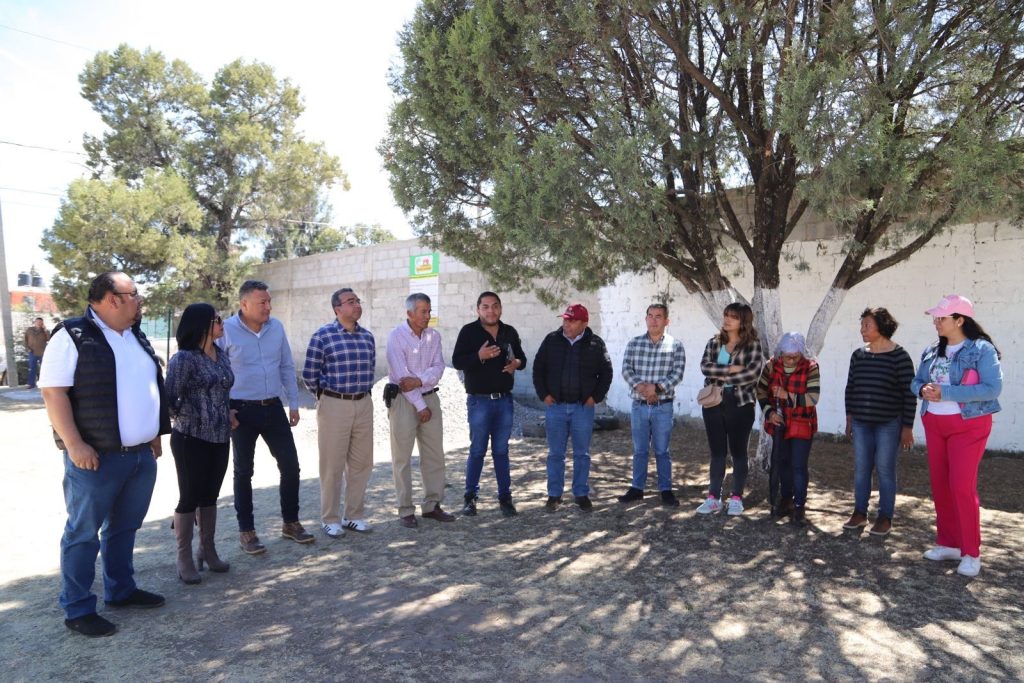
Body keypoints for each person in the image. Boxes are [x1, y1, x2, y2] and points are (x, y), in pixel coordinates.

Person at [38, 272, 169, 638]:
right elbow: (53, 393)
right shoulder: (72, 335)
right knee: (83, 533)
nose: (139, 300)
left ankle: (121, 590)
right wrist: (74, 444)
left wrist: (154, 433)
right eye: (135, 294)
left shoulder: (135, 335)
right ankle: (78, 608)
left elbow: (145, 386)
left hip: (140, 456)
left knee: (124, 527)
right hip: (96, 458)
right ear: (113, 298)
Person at [219, 280, 314, 554]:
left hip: (273, 407)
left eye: (269, 301)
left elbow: (286, 365)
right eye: (263, 302)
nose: (268, 307)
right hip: (240, 411)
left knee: (291, 466)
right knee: (243, 471)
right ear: (244, 304)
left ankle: (291, 523)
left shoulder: (276, 328)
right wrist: (225, 408)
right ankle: (246, 531)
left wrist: (293, 403)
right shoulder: (226, 330)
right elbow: (217, 371)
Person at [912, 294, 1002, 577]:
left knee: (961, 487)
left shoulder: (982, 350)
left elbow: (992, 389)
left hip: (969, 425)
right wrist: (921, 389)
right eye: (935, 317)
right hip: (935, 423)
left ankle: (971, 552)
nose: (936, 322)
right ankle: (949, 544)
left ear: (960, 320)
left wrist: (947, 392)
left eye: (942, 318)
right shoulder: (931, 350)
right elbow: (916, 381)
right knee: (940, 486)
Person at [165, 303, 235, 584]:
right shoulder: (183, 359)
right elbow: (169, 398)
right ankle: (183, 557)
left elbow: (223, 391)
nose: (222, 323)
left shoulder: (221, 354)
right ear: (202, 324)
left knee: (210, 495)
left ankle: (207, 549)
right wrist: (191, 415)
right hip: (190, 437)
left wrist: (227, 412)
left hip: (221, 436)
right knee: (189, 496)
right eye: (217, 319)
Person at [302, 288, 376, 538]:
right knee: (332, 464)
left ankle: (353, 516)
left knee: (362, 463)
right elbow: (309, 375)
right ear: (337, 309)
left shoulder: (367, 337)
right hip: (334, 404)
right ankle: (330, 518)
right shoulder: (322, 336)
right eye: (350, 301)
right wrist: (325, 398)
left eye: (358, 301)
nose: (357, 305)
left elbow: (371, 368)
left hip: (363, 403)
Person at [451, 291, 527, 517]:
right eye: (485, 307)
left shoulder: (509, 331)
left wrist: (516, 363)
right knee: (477, 451)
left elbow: (522, 359)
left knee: (501, 451)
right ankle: (470, 498)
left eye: (495, 306)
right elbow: (457, 361)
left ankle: (505, 498)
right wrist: (479, 355)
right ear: (478, 310)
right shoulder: (469, 331)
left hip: (504, 401)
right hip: (479, 402)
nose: (490, 311)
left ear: (500, 308)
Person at [842, 307, 916, 537]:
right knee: (861, 469)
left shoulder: (900, 357)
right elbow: (851, 388)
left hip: (889, 424)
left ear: (882, 327)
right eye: (861, 325)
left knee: (885, 469)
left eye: (867, 325)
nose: (862, 329)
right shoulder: (858, 355)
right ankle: (859, 512)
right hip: (861, 423)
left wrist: (907, 427)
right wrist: (850, 418)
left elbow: (909, 394)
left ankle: (885, 517)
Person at [533, 303, 613, 512]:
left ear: (584, 323)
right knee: (555, 454)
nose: (566, 324)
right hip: (556, 407)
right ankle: (554, 495)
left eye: (572, 320)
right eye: (565, 319)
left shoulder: (596, 344)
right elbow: (538, 368)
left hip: (582, 408)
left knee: (582, 454)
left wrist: (594, 398)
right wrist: (544, 395)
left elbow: (606, 372)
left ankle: (581, 493)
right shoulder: (551, 340)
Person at [386, 293, 454, 528]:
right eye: (423, 311)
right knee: (402, 458)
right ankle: (405, 509)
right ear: (409, 313)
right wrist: (420, 404)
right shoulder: (396, 337)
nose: (428, 316)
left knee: (434, 454)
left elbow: (438, 367)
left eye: (429, 311)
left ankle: (432, 505)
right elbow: (402, 378)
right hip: (403, 401)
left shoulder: (434, 336)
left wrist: (419, 381)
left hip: (430, 397)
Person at [696, 302, 764, 516]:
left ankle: (736, 498)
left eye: (733, 317)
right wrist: (732, 368)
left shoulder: (752, 345)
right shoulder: (714, 343)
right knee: (717, 452)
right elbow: (705, 367)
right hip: (713, 402)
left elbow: (752, 374)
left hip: (740, 403)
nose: (727, 320)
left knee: (739, 452)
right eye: (726, 315)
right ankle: (713, 497)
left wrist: (720, 374)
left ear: (743, 321)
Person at [618, 303, 686, 507]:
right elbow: (626, 369)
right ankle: (637, 488)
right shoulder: (634, 343)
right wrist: (641, 387)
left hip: (662, 406)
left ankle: (665, 490)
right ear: (645, 318)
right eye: (650, 315)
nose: (653, 320)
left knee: (662, 450)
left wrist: (656, 389)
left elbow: (677, 373)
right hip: (639, 406)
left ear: (666, 321)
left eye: (658, 316)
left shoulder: (676, 345)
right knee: (639, 450)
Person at [756, 332, 820, 525]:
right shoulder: (771, 365)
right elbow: (761, 391)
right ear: (780, 353)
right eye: (787, 356)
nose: (791, 360)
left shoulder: (811, 367)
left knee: (798, 465)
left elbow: (813, 398)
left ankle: (799, 506)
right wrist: (769, 413)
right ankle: (786, 499)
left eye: (795, 356)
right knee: (782, 462)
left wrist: (787, 396)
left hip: (802, 422)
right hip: (779, 422)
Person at [24, 316, 50, 388]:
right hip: (32, 352)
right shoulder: (29, 330)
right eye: (37, 322)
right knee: (32, 368)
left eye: (40, 322)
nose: (39, 323)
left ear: (42, 323)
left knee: (44, 368)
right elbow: (25, 340)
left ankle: (45, 383)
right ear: (35, 322)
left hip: (42, 352)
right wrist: (27, 348)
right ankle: (31, 384)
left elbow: (49, 338)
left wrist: (45, 330)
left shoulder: (44, 331)